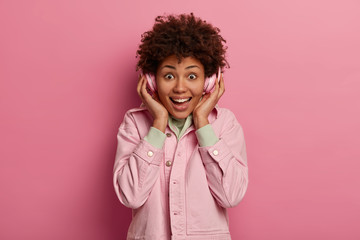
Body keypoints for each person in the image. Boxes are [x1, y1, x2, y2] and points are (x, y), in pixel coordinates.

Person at [113, 13, 248, 240]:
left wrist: (203, 124)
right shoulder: (135, 124)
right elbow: (131, 196)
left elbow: (231, 196)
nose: (180, 88)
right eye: (168, 76)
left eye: (192, 76)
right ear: (152, 80)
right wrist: (157, 124)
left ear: (209, 81)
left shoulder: (225, 124)